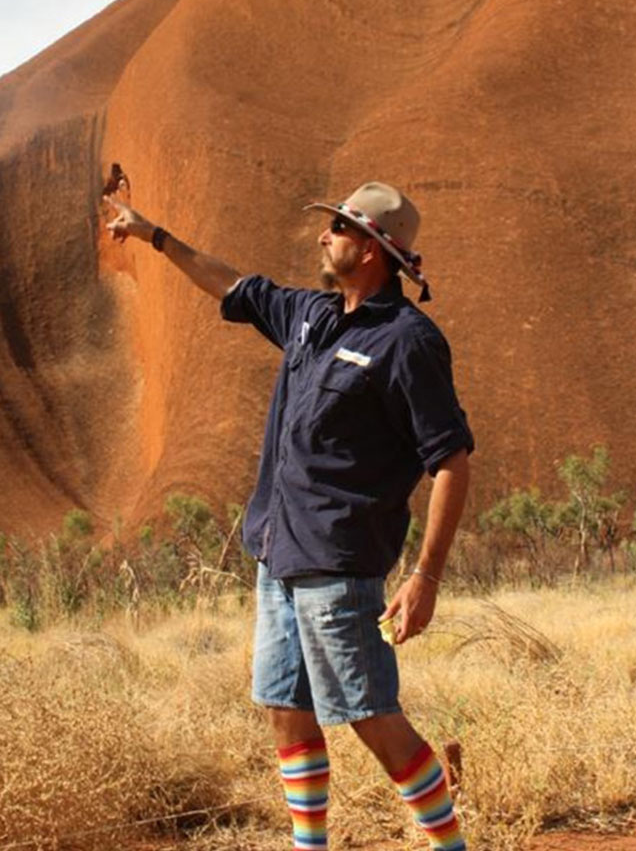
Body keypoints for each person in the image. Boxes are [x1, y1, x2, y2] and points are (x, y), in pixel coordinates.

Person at [105, 180, 474, 851]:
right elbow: (231, 285)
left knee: (368, 715)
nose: (321, 236)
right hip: (279, 556)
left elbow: (451, 461)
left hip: (338, 563)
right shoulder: (310, 315)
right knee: (285, 709)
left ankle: (450, 845)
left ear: (370, 249)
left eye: (336, 229)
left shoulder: (408, 341)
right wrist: (151, 232)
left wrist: (426, 576)